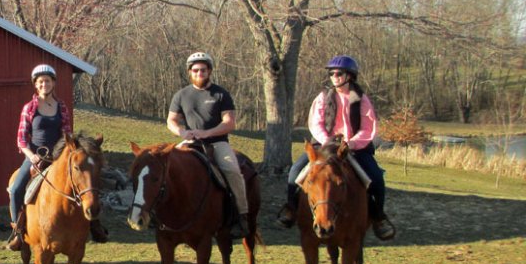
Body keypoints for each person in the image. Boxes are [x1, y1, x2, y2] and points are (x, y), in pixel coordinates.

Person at [277, 55, 395, 240]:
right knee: (295, 172)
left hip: (354, 148)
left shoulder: (361, 100)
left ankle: (379, 217)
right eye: (331, 73)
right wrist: (327, 141)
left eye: (338, 73)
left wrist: (351, 143)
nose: (334, 77)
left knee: (377, 179)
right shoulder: (323, 97)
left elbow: (368, 128)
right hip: (324, 146)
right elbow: (316, 123)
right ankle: (291, 209)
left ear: (350, 76)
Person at [6, 64, 108, 251]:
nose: (44, 84)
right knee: (16, 189)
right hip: (35, 155)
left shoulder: (61, 107)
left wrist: (68, 153)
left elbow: (67, 135)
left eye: (48, 81)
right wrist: (32, 156)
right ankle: (18, 232)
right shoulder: (29, 108)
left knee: (85, 182)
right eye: (41, 81)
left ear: (53, 83)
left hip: (59, 156)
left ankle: (95, 225)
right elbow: (21, 139)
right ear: (36, 85)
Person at [166, 52, 249, 237]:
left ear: (209, 71)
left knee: (232, 171)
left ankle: (241, 216)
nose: (199, 73)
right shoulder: (181, 95)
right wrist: (182, 132)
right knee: (168, 168)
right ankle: (164, 214)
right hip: (190, 141)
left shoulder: (221, 94)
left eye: (203, 70)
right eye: (195, 70)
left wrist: (207, 133)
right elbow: (171, 120)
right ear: (190, 72)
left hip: (217, 143)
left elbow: (229, 122)